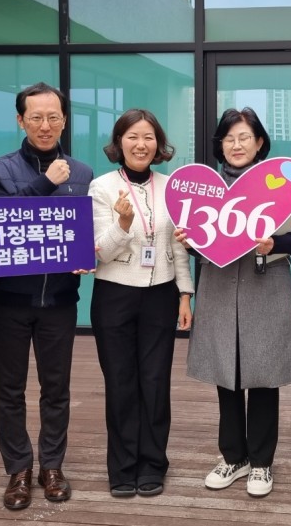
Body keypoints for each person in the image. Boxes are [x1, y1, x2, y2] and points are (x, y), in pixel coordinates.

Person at [182, 107, 291, 498]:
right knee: (225, 374)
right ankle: (233, 457)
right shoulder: (205, 189)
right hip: (220, 290)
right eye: (229, 138)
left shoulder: (278, 185)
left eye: (244, 137)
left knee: (263, 376)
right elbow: (200, 239)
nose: (236, 145)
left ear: (259, 143)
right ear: (220, 145)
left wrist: (277, 242)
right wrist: (189, 240)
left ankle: (261, 462)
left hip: (265, 289)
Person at [0, 82, 94, 510]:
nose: (45, 126)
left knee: (56, 389)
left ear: (64, 120)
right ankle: (18, 470)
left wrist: (87, 253)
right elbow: (1, 220)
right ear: (20, 120)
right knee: (9, 390)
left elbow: (87, 231)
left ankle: (52, 466)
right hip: (8, 301)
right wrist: (46, 183)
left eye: (53, 117)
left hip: (60, 301)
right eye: (36, 118)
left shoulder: (83, 173)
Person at [89, 109, 194, 497]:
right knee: (120, 382)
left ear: (158, 144)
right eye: (132, 136)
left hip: (160, 294)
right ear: (119, 143)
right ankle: (122, 467)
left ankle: (153, 464)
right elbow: (100, 252)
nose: (141, 144)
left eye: (148, 137)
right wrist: (122, 224)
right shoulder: (101, 187)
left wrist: (185, 294)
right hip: (114, 293)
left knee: (155, 381)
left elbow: (177, 246)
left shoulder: (171, 186)